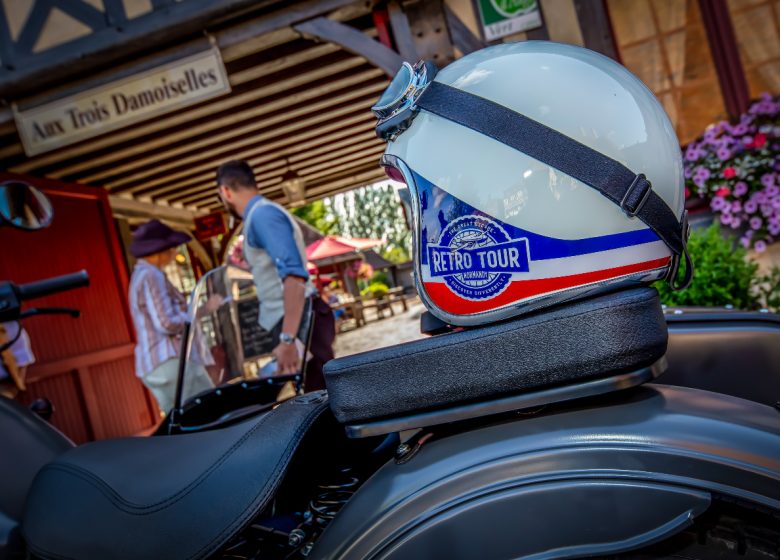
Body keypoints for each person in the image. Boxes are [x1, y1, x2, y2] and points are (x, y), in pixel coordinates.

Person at [216, 160, 335, 391]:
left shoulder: (262, 215)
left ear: (225, 192)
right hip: (297, 320)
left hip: (299, 323)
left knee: (320, 398)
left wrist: (287, 339)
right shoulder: (261, 214)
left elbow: (294, 276)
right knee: (315, 397)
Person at [128, 219, 219, 414]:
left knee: (183, 419)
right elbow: (166, 323)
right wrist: (203, 310)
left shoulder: (140, 275)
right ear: (160, 251)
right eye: (171, 248)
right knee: (207, 413)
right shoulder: (152, 275)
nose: (174, 252)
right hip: (170, 360)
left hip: (156, 363)